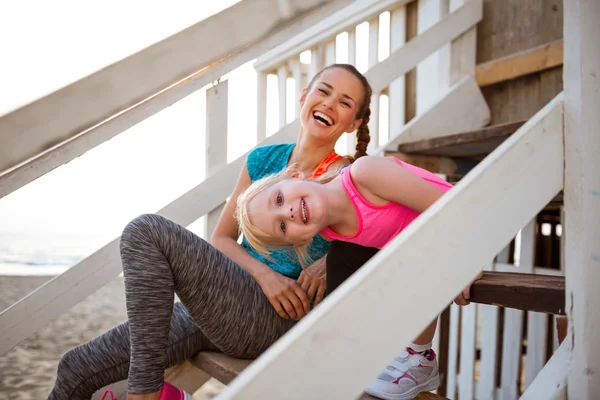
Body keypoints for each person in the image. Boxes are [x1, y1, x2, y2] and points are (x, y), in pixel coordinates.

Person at [48, 63, 380, 400]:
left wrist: (334, 259)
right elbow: (221, 238)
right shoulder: (262, 161)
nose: (328, 103)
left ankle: (145, 393)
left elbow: (389, 228)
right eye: (323, 91)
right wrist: (265, 276)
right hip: (223, 300)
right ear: (304, 96)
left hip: (274, 319)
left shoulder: (349, 176)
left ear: (353, 123)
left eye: (344, 102)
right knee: (75, 367)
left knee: (146, 231)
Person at [236, 155, 480, 400]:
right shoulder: (333, 232)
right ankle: (389, 350)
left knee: (411, 256)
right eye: (282, 227)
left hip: (468, 221)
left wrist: (467, 256)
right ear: (301, 240)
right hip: (431, 246)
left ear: (295, 175)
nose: (287, 212)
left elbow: (453, 204)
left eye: (278, 198)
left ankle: (419, 357)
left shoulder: (365, 173)